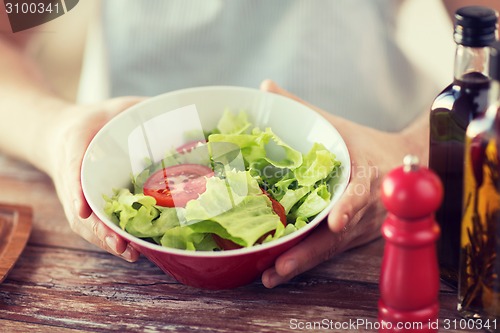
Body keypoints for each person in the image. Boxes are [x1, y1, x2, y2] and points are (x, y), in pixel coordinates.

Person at [0, 0, 498, 289]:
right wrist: (56, 128)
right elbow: (7, 31)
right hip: (121, 262)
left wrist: (410, 155)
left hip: (388, 231)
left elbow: (488, 30)